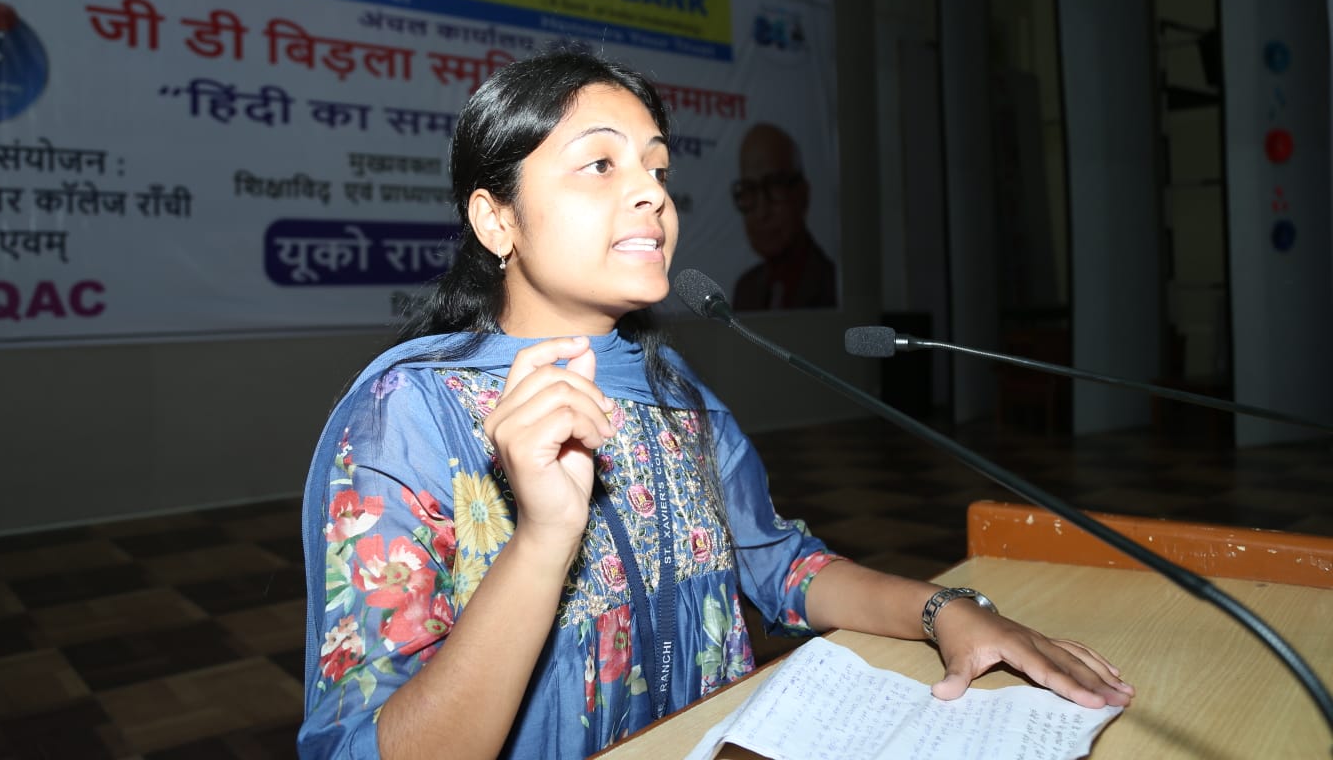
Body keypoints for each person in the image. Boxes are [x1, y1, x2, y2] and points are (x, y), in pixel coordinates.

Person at [297, 49, 1133, 760]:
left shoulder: (674, 392)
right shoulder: (409, 415)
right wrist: (544, 540)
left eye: (658, 169)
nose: (652, 195)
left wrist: (943, 609)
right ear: (495, 219)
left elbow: (779, 565)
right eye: (601, 165)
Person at [731, 122, 837, 311]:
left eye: (775, 186)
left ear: (803, 195)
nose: (762, 212)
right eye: (749, 190)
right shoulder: (745, 290)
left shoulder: (833, 286)